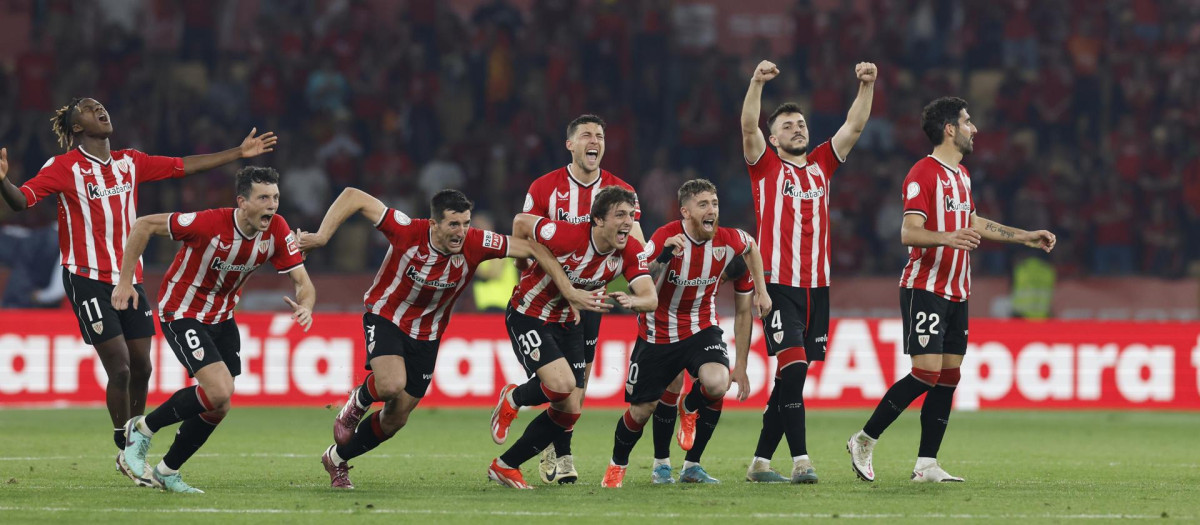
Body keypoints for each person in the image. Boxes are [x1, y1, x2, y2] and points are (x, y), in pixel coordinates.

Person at [0, 98, 276, 477]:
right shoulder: (63, 167)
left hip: (128, 277)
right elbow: (22, 201)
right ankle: (126, 442)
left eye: (100, 105)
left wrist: (238, 154)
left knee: (143, 365)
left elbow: (182, 166)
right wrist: (3, 181)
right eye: (87, 108)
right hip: (86, 276)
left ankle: (132, 446)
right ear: (77, 128)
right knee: (122, 367)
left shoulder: (130, 161)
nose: (99, 109)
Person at [296, 187, 580, 489]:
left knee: (396, 418)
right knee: (391, 384)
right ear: (434, 224)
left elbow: (534, 248)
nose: (461, 232)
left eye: (466, 223)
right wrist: (322, 236)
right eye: (453, 225)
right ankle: (360, 399)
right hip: (387, 316)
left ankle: (336, 460)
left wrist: (569, 290)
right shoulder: (407, 230)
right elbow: (353, 196)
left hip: (428, 335)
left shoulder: (476, 241)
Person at [846, 97, 1056, 483]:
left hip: (958, 290)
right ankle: (864, 438)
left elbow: (973, 221)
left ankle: (927, 464)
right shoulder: (922, 174)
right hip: (925, 286)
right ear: (949, 129)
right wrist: (947, 237)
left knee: (949, 376)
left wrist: (1024, 237)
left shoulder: (961, 176)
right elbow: (908, 231)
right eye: (967, 121)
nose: (974, 128)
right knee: (925, 373)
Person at [114, 166, 313, 492]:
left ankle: (167, 470)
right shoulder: (208, 223)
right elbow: (143, 224)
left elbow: (303, 283)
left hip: (222, 318)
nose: (272, 205)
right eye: (263, 197)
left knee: (220, 404)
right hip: (182, 311)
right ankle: (142, 429)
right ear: (242, 202)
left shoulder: (276, 229)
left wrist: (306, 304)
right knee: (219, 390)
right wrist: (125, 282)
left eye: (275, 197)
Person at [520, 114, 679, 484]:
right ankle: (560, 454)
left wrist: (660, 256)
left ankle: (559, 450)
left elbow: (637, 250)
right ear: (570, 145)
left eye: (601, 136)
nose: (595, 140)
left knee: (580, 382)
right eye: (587, 135)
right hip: (547, 298)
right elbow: (526, 241)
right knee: (556, 382)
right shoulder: (544, 188)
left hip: (591, 299)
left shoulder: (622, 191)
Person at [740, 60, 876, 483]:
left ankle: (761, 462)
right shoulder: (763, 165)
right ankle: (801, 461)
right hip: (778, 285)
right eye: (787, 125)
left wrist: (866, 85)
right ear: (774, 137)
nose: (798, 129)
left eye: (801, 123)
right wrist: (756, 83)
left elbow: (853, 126)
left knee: (790, 378)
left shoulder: (822, 163)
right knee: (794, 368)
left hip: (818, 288)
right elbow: (747, 127)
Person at [600, 179, 771, 487]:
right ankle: (622, 465)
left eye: (715, 204)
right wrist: (664, 256)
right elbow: (640, 280)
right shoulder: (665, 236)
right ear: (685, 211)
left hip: (700, 326)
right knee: (641, 411)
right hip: (658, 331)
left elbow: (752, 247)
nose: (712, 211)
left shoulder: (727, 239)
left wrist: (762, 290)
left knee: (717, 384)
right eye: (703, 204)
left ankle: (690, 421)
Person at [488, 186, 657, 489]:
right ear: (598, 220)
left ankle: (506, 465)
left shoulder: (629, 250)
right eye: (620, 215)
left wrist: (634, 302)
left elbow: (651, 297)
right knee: (562, 385)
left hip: (569, 322)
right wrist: (524, 266)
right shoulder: (566, 234)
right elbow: (523, 224)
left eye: (631, 215)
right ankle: (514, 397)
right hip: (530, 313)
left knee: (571, 410)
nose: (628, 222)